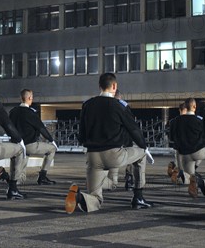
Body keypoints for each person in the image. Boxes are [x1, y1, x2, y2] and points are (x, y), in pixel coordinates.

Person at [65, 73, 154, 214]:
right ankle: (138, 197)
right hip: (113, 155)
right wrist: (145, 147)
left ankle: (80, 197)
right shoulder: (119, 106)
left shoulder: (87, 105)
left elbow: (81, 134)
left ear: (99, 86)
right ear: (114, 86)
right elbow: (133, 129)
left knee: (96, 199)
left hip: (92, 157)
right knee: (141, 153)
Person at [172, 97, 205, 198]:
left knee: (189, 177)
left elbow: (173, 137)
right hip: (198, 151)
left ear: (185, 107)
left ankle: (185, 176)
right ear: (194, 107)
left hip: (185, 154)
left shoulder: (176, 121)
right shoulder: (199, 120)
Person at [8, 89, 58, 185]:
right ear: (30, 98)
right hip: (29, 145)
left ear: (21, 98)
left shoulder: (13, 111)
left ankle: (6, 176)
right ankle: (42, 176)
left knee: (19, 179)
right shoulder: (31, 113)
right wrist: (52, 141)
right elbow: (41, 129)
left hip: (15, 146)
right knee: (51, 149)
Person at [168, 102, 189, 185]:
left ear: (179, 110)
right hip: (189, 146)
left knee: (179, 164)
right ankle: (184, 179)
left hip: (178, 146)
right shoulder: (190, 120)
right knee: (188, 165)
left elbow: (171, 137)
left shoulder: (173, 121)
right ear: (186, 109)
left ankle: (175, 168)